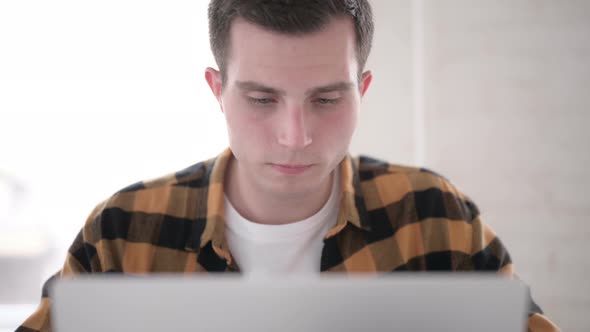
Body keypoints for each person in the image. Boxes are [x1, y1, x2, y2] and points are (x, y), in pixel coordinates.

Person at [17, 1, 559, 331]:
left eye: (326, 99)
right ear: (217, 90)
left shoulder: (435, 217)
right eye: (261, 99)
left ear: (362, 90)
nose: (294, 136)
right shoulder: (121, 231)